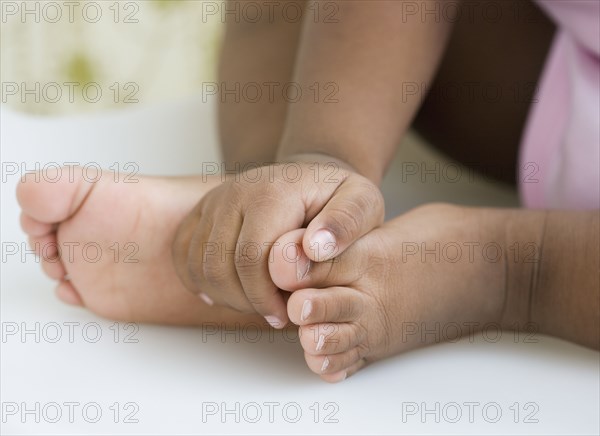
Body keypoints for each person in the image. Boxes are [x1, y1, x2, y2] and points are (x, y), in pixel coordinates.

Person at [17, 0, 599, 383]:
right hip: (554, 77)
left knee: (526, 266)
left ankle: (515, 268)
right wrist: (325, 152)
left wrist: (515, 270)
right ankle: (271, 224)